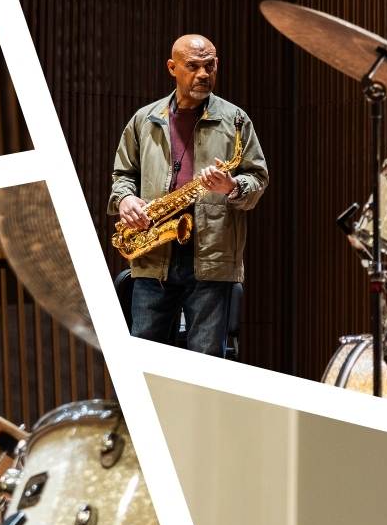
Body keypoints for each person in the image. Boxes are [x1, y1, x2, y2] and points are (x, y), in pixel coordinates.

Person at [109, 34, 269, 356]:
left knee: (205, 364)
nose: (203, 75)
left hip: (212, 258)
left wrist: (233, 187)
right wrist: (125, 200)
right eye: (193, 66)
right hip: (154, 254)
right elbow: (122, 177)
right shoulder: (145, 120)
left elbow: (258, 178)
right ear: (172, 67)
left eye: (209, 66)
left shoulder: (236, 120)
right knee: (146, 359)